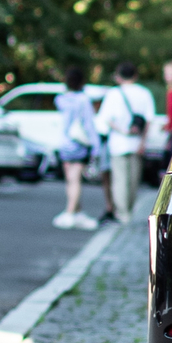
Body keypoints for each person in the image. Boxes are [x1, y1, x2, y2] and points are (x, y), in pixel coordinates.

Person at [95, 59, 156, 222]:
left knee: (120, 180)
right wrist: (143, 141)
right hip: (137, 143)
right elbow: (149, 119)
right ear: (135, 75)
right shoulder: (144, 93)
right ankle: (128, 209)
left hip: (118, 142)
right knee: (133, 181)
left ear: (119, 76)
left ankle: (123, 213)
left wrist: (122, 130)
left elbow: (106, 119)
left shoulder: (113, 94)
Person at [51, 65, 101, 230]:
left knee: (69, 180)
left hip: (64, 143)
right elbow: (88, 124)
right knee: (76, 180)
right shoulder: (83, 100)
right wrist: (96, 146)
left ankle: (76, 211)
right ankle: (70, 212)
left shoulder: (61, 99)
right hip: (79, 143)